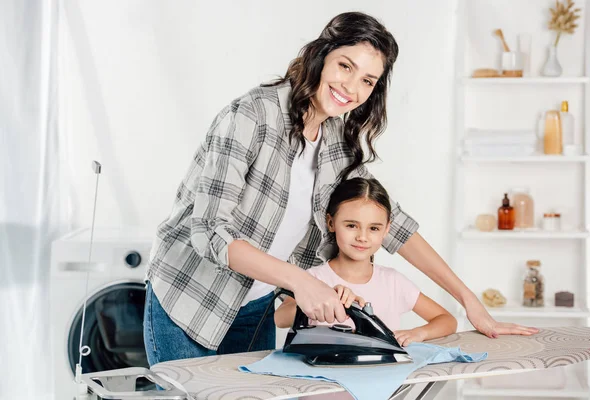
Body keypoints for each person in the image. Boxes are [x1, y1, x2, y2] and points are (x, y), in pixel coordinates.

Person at [143, 11, 538, 366]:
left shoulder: (338, 141)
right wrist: (302, 282)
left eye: (367, 80)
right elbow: (210, 232)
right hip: (190, 299)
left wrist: (469, 301)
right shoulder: (252, 116)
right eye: (344, 66)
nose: (351, 87)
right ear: (320, 56)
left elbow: (393, 224)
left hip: (255, 308)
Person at [274, 177, 458, 347]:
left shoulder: (393, 282)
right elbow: (280, 318)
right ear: (331, 223)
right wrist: (322, 296)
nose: (362, 237)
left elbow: (447, 320)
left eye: (373, 228)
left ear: (386, 230)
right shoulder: (313, 278)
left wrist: (418, 333)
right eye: (351, 226)